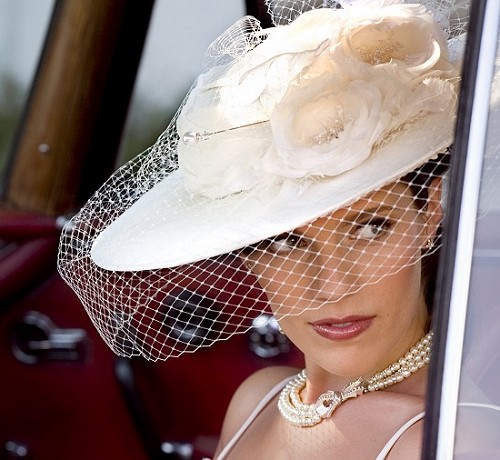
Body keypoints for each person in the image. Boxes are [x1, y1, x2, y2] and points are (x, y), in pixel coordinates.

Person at [58, 0, 473, 458]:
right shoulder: (257, 400)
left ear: (430, 212)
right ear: (246, 248)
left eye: (371, 228)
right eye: (285, 242)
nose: (332, 286)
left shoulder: (448, 439)